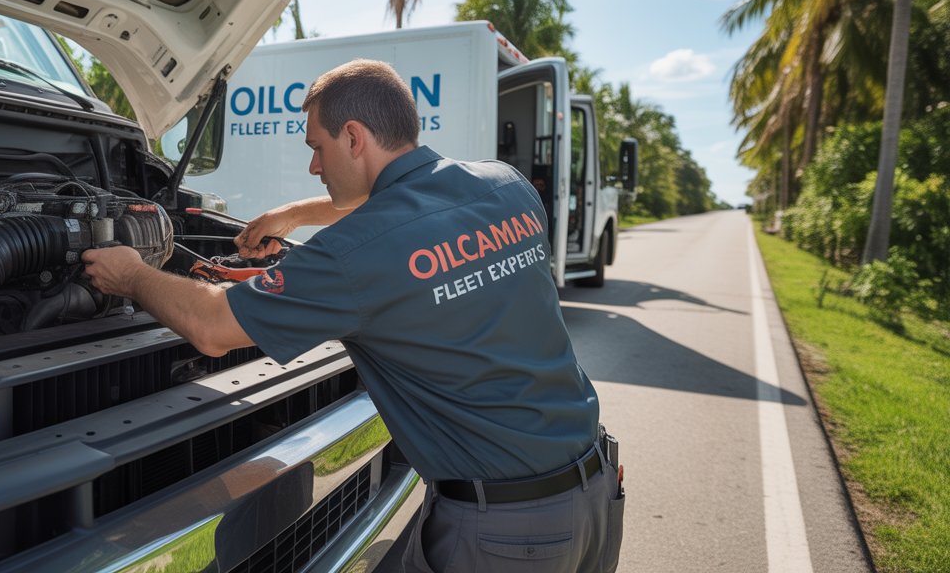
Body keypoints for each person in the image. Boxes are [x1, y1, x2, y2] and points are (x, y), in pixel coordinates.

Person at [82, 59, 624, 572]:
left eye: (316, 147)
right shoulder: (506, 185)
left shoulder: (354, 254)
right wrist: (293, 213)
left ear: (355, 137)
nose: (313, 165)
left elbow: (213, 328)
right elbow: (414, 202)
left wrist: (129, 273)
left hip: (505, 536)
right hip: (596, 494)